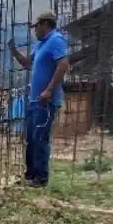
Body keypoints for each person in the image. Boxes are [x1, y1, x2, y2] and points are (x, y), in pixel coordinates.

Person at [8, 11, 70, 187]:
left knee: (40, 138)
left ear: (45, 24)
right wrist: (13, 51)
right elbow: (28, 63)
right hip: (34, 101)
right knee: (31, 138)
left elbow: (63, 64)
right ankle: (30, 175)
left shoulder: (56, 40)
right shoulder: (42, 45)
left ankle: (41, 178)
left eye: (36, 27)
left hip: (45, 101)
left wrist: (49, 90)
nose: (34, 31)